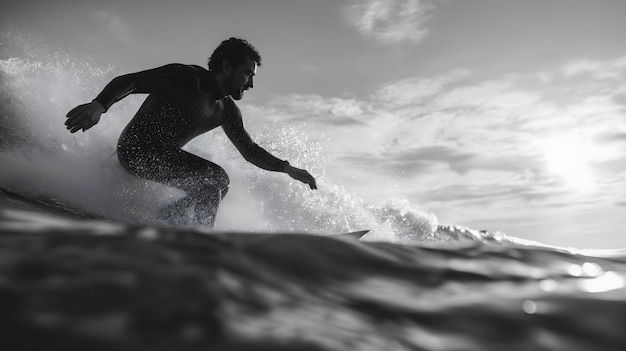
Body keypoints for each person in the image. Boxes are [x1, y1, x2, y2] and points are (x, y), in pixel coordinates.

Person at [65, 37, 317, 227]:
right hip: (135, 150)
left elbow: (249, 151)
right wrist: (99, 105)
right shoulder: (185, 77)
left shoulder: (227, 110)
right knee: (213, 180)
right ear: (227, 66)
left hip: (163, 156)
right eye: (247, 74)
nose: (250, 84)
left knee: (221, 184)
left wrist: (286, 168)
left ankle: (167, 220)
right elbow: (132, 81)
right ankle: (199, 241)